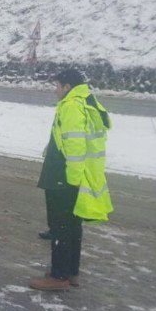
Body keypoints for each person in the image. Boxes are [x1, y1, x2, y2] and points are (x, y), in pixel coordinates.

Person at [30, 69, 113, 291]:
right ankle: (70, 272)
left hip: (64, 176)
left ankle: (58, 277)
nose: (55, 89)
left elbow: (76, 144)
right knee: (72, 226)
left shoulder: (71, 106)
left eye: (57, 85)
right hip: (72, 175)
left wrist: (72, 179)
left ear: (67, 87)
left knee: (60, 226)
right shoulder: (87, 100)